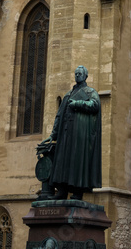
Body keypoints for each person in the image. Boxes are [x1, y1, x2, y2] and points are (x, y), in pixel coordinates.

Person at [37, 65, 101, 200]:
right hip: (65, 136)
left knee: (77, 163)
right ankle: (61, 192)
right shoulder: (68, 94)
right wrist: (53, 135)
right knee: (62, 162)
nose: (77, 75)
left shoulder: (90, 92)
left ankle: (77, 193)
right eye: (76, 73)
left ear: (86, 76)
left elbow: (95, 105)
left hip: (80, 136)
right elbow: (59, 116)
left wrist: (78, 104)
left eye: (80, 73)